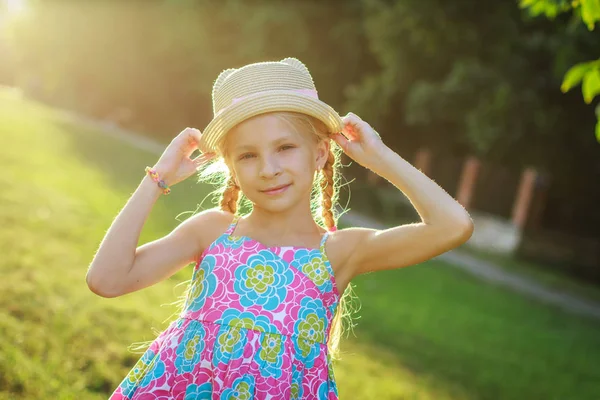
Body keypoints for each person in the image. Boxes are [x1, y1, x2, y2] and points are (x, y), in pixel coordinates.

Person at [87, 57, 474, 400]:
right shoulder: (212, 231)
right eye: (248, 155)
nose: (269, 168)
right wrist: (157, 179)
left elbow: (453, 226)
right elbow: (106, 279)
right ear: (231, 167)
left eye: (285, 147)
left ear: (319, 153)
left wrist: (381, 158)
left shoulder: (339, 252)